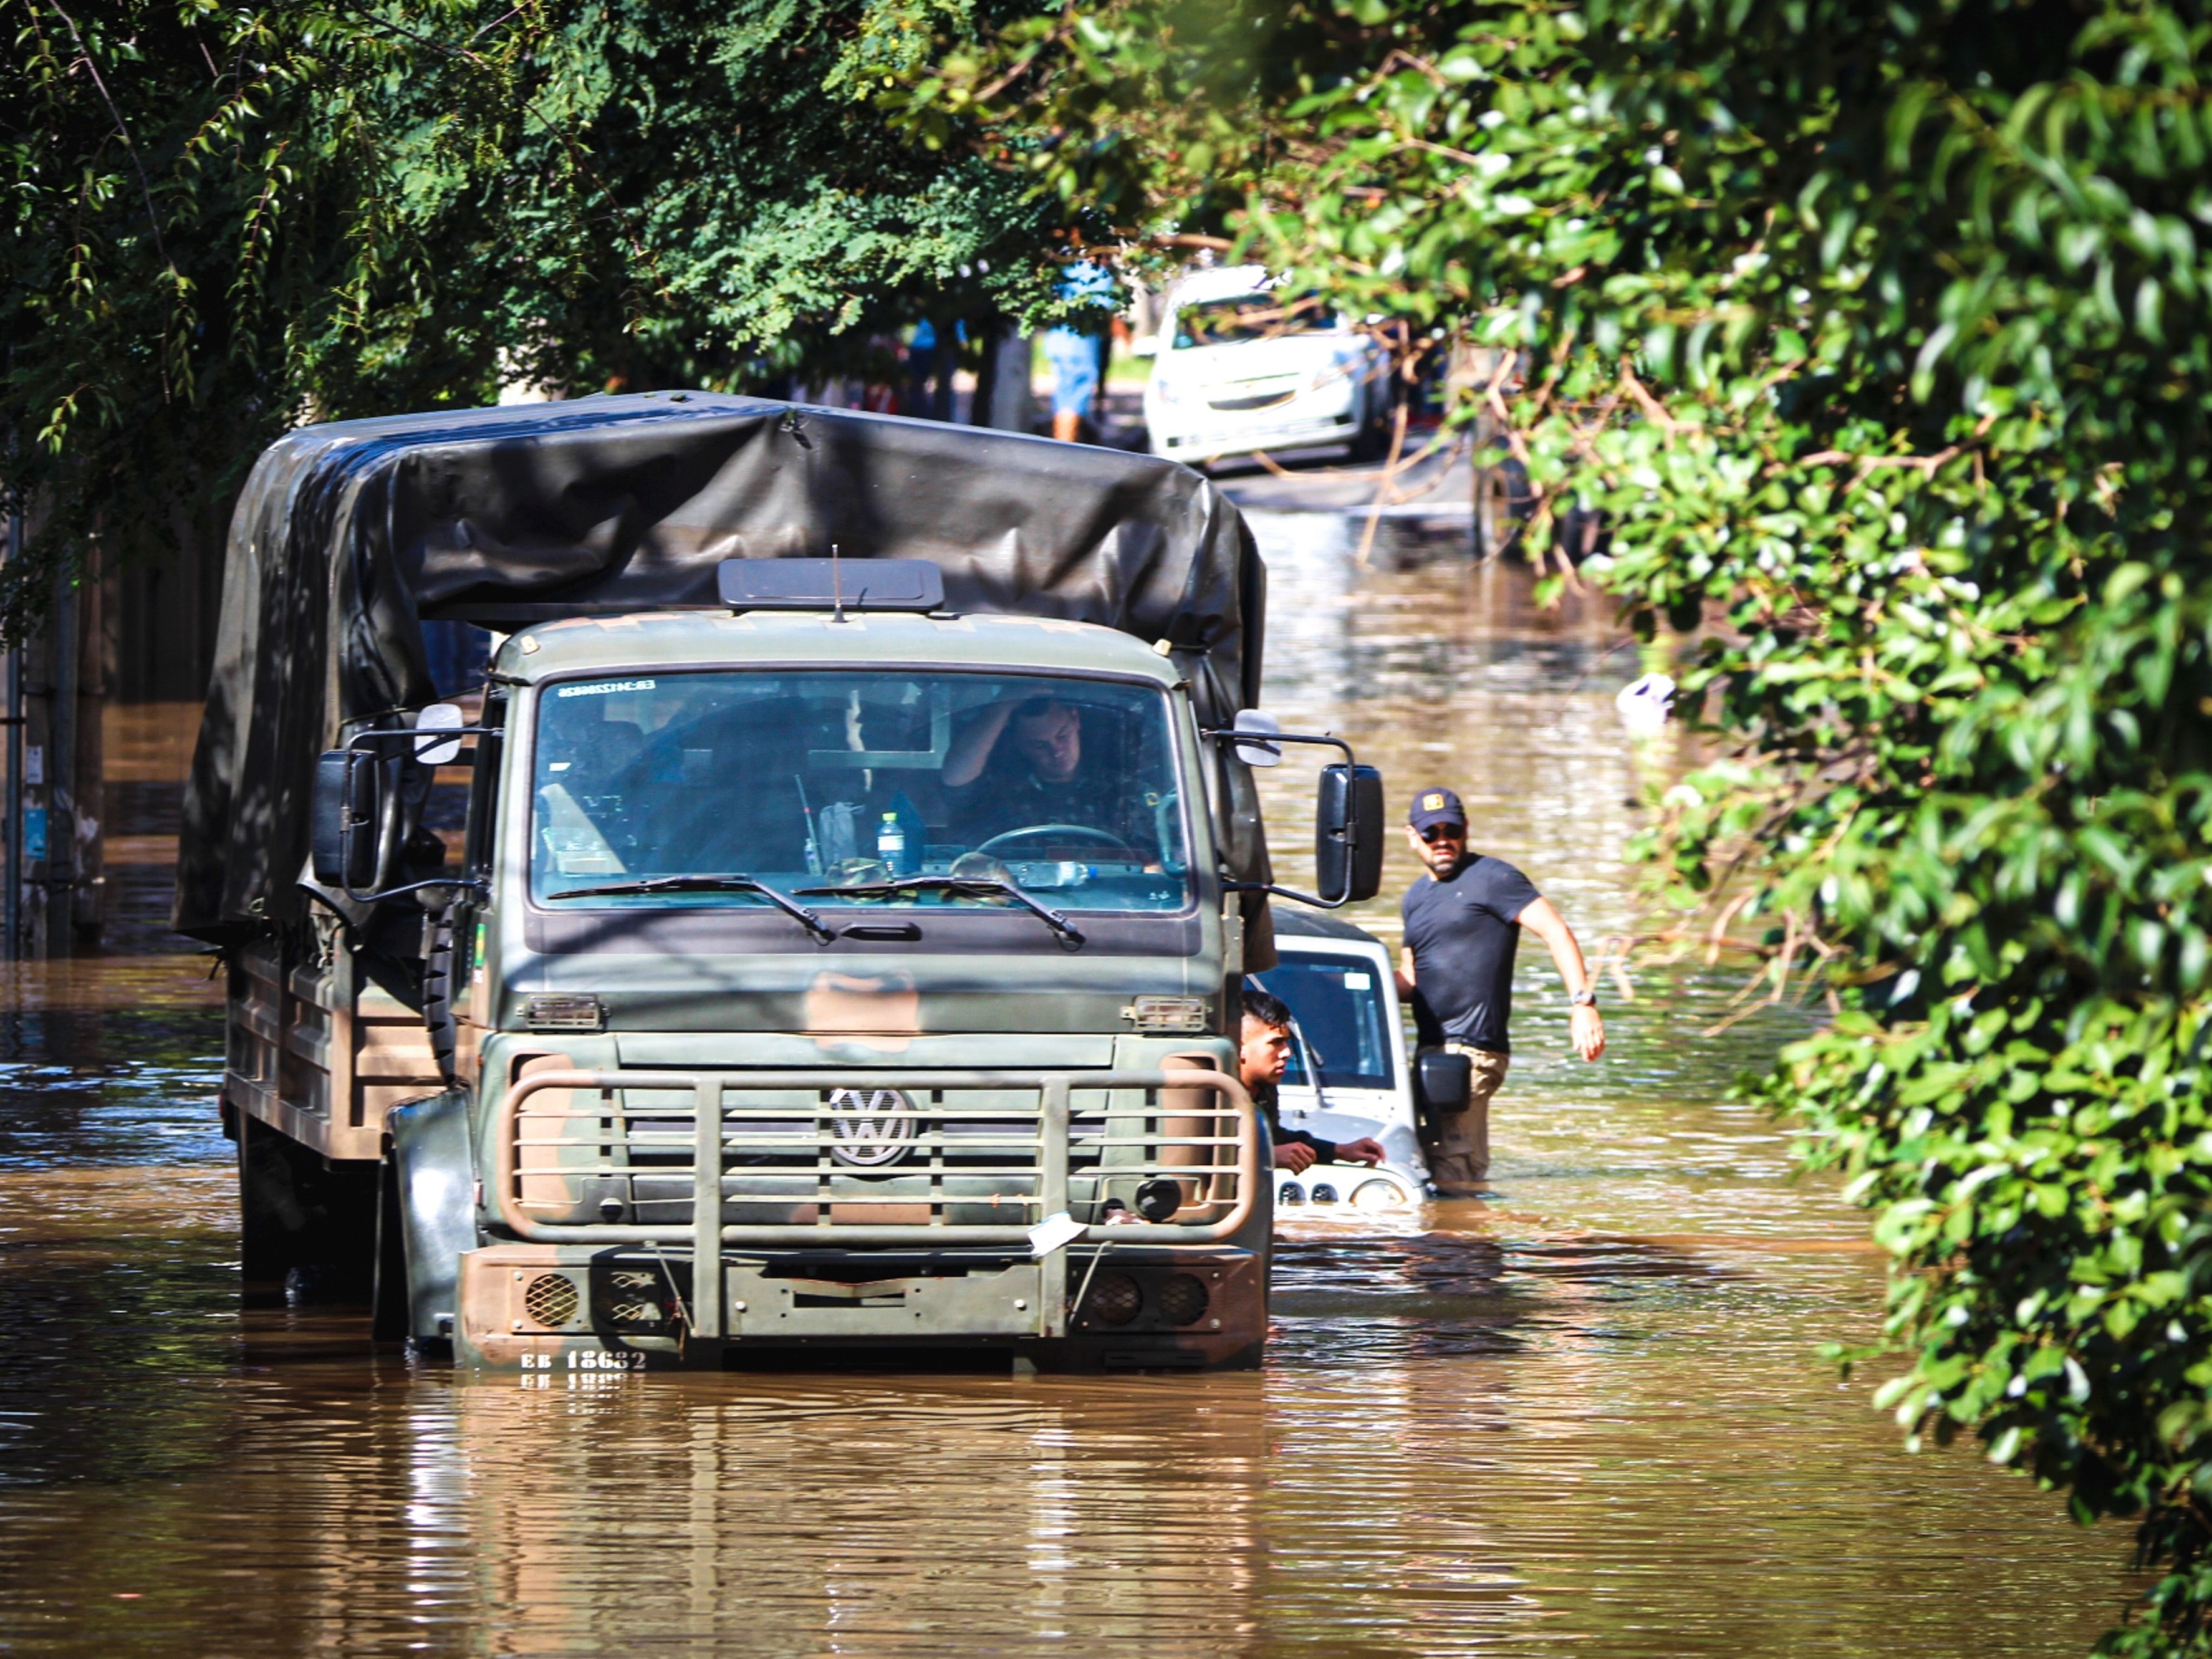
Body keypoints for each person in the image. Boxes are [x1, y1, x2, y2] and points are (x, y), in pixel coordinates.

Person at [1395, 786, 1605, 1196]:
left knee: (1452, 1172)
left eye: (1450, 830)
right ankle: (1447, 1249)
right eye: (1430, 832)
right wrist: (1353, 986)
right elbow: (1410, 977)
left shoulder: (1494, 878)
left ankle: (1463, 1253)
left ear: (1466, 829)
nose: (1442, 840)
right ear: (1412, 836)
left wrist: (1583, 1002)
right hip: (1430, 1053)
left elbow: (1556, 931)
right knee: (1425, 1166)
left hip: (1472, 1052)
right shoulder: (1415, 897)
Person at [942, 696, 1139, 850]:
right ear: (1019, 744)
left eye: (1063, 736)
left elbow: (1156, 859)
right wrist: (1004, 703)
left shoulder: (1121, 789)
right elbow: (955, 778)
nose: (1058, 752)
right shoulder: (999, 790)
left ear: (1076, 720)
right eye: (1039, 745)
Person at [1238, 989, 1385, 1175]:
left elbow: (1274, 1139)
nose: (1287, 1053)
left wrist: (1339, 1151)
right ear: (1240, 1047)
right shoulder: (1210, 1092)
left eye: (1286, 1043)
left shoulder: (1265, 1090)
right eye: (1275, 1043)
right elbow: (1199, 1151)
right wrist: (1267, 1156)